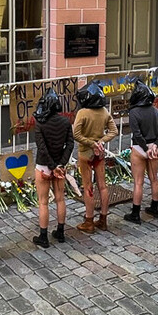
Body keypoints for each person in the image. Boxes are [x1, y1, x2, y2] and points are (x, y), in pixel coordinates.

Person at [72, 82, 118, 230]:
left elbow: (76, 134)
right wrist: (101, 142)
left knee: (88, 188)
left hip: (86, 153)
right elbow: (114, 131)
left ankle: (89, 221)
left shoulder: (82, 113)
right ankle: (103, 219)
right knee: (103, 186)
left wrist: (91, 143)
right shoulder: (104, 111)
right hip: (100, 153)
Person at [31, 89, 73, 246]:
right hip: (60, 164)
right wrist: (60, 164)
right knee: (60, 198)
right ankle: (60, 232)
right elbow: (70, 144)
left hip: (43, 165)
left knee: (43, 202)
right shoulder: (65, 122)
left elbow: (41, 147)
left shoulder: (40, 124)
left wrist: (52, 166)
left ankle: (43, 236)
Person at [127, 82, 158, 219]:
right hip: (154, 148)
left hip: (139, 148)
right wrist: (155, 145)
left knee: (138, 182)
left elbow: (137, 134)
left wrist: (145, 148)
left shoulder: (133, 113)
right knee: (154, 179)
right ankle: (154, 208)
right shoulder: (155, 111)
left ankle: (135, 213)